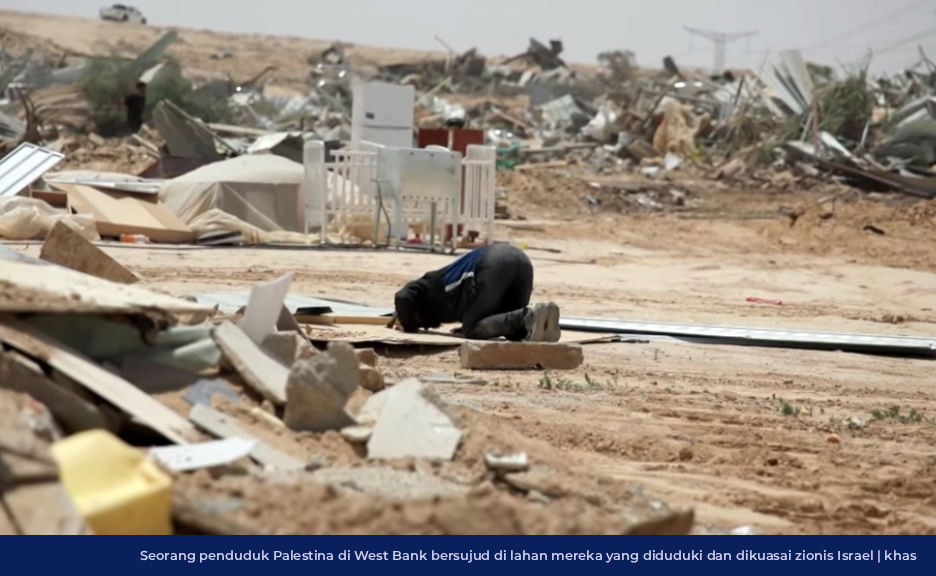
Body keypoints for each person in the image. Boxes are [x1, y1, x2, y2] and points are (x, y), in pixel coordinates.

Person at [393, 243, 561, 342]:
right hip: (522, 261)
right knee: (517, 332)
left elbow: (402, 297)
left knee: (472, 329)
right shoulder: (443, 298)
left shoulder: (429, 283)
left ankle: (527, 316)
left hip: (493, 262)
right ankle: (541, 316)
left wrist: (408, 326)